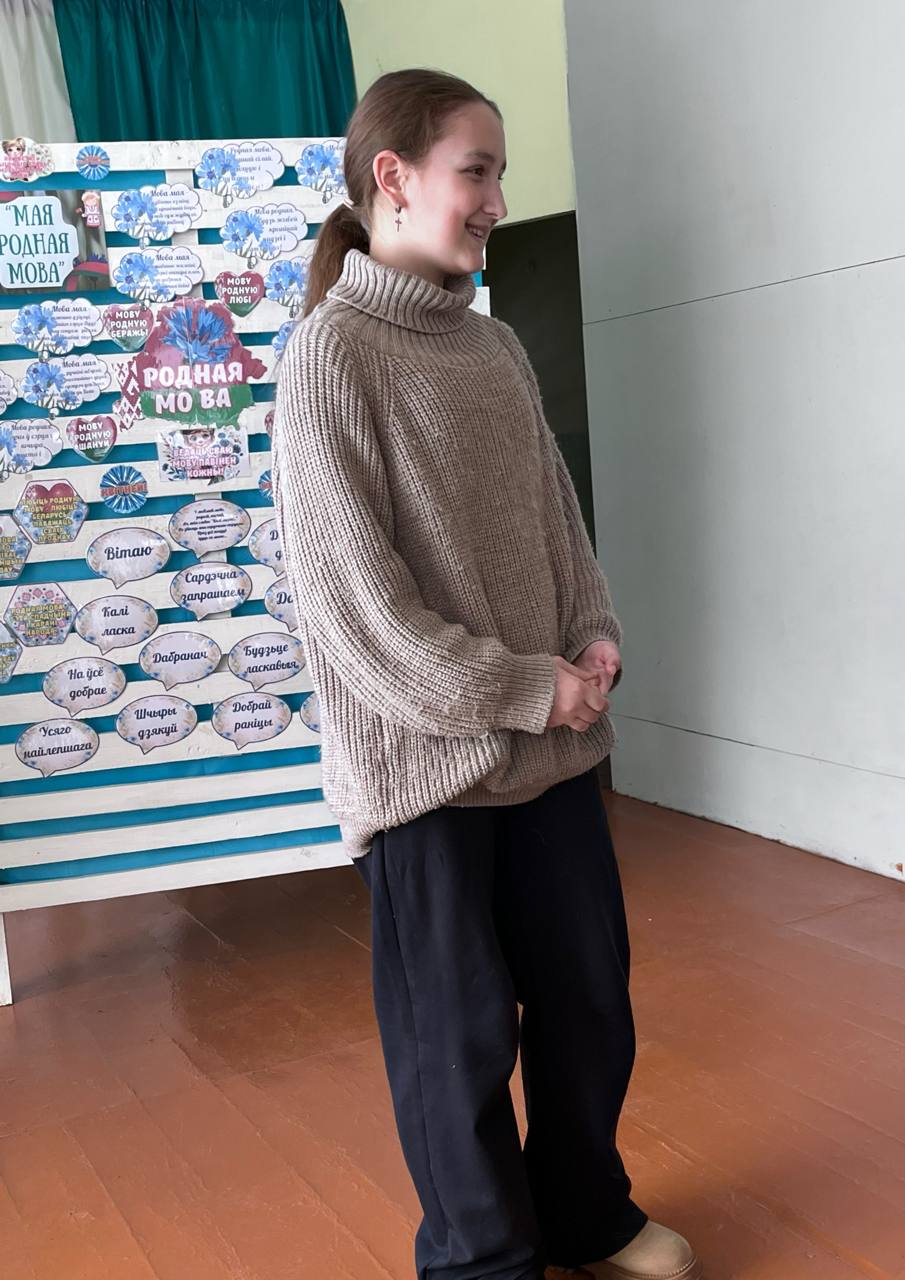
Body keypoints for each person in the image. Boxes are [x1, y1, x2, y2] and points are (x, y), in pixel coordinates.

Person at [272, 68, 701, 1280]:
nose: (498, 200)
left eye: (499, 174)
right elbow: (359, 616)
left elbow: (557, 522)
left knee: (587, 999)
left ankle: (584, 1214)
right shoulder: (329, 357)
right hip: (424, 773)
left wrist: (592, 628)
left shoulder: (494, 344)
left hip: (549, 750)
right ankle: (479, 1260)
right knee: (453, 1041)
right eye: (478, 171)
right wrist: (523, 687)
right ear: (392, 178)